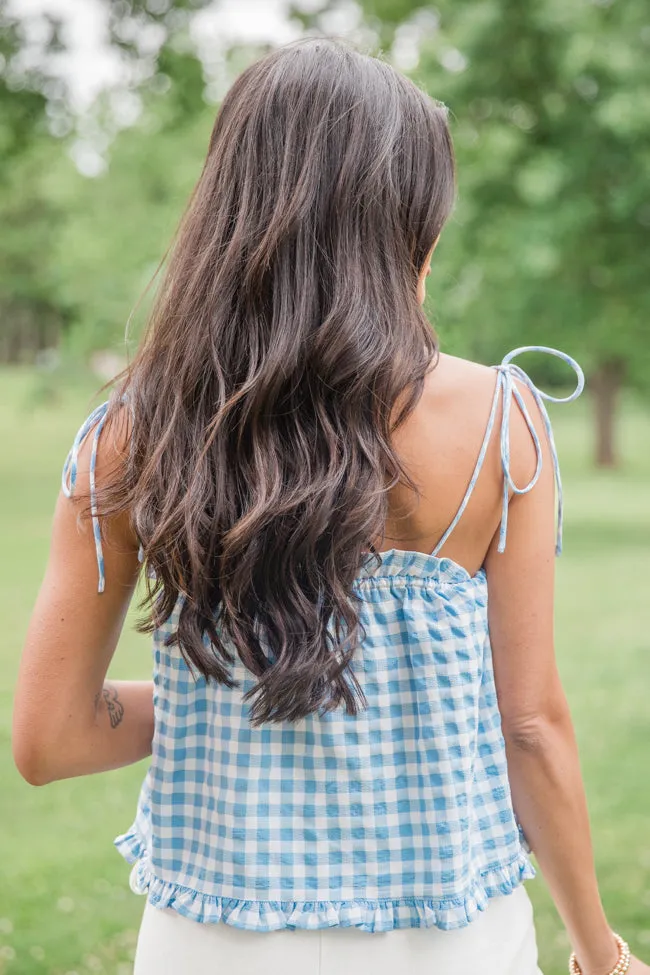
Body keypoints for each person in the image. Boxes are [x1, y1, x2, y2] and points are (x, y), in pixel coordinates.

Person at [12, 37, 648, 975]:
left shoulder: (131, 436)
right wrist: (600, 951)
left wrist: (233, 689)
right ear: (405, 225)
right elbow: (530, 725)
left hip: (209, 942)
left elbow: (49, 739)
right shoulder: (498, 423)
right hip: (449, 938)